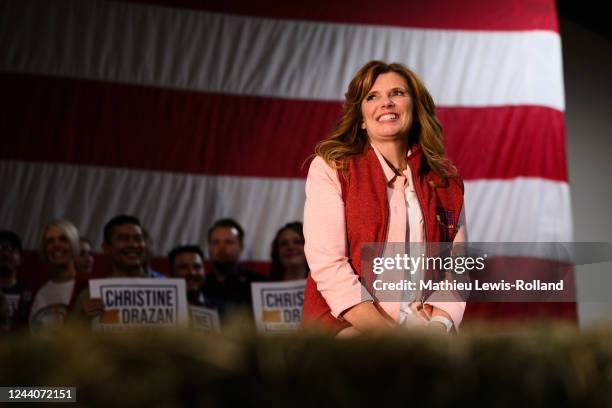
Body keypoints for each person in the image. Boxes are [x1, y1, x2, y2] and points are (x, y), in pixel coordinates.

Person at [302, 61, 466, 336]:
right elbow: (329, 265)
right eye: (372, 96)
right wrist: (390, 338)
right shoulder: (332, 167)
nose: (386, 103)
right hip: (350, 328)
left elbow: (458, 268)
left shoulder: (446, 180)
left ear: (415, 110)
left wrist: (439, 326)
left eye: (397, 93)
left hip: (426, 332)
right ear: (362, 119)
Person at [202, 218, 266, 318]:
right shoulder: (200, 286)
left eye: (228, 242)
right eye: (216, 242)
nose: (221, 247)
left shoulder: (261, 285)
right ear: (209, 247)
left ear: (241, 246)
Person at [29, 220, 83, 334]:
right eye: (50, 241)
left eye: (63, 239)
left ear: (74, 245)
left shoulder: (87, 287)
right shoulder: (34, 289)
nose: (56, 245)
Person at [0, 230, 32, 332]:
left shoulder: (30, 291)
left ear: (21, 259)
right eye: (0, 248)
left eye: (12, 249)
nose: (5, 253)